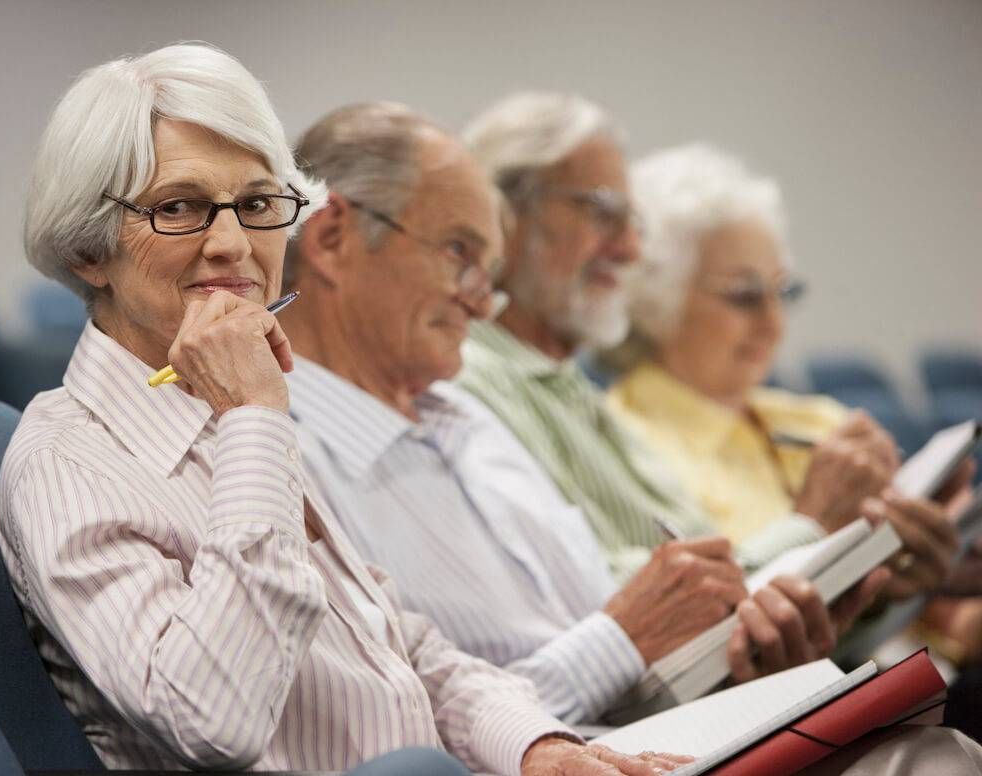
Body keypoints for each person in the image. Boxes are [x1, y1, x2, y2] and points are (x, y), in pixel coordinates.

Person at [0, 42, 689, 776]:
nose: (234, 245)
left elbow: (403, 647)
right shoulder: (66, 462)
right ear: (86, 250)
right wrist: (255, 419)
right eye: (180, 208)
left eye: (259, 204)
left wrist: (539, 748)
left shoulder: (221, 415)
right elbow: (211, 719)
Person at [279, 100, 982, 774]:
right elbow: (412, 727)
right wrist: (627, 642)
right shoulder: (289, 463)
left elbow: (636, 642)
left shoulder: (466, 420)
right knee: (937, 752)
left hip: (654, 728)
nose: (479, 297)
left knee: (936, 740)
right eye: (460, 253)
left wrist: (741, 651)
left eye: (485, 269)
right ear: (334, 239)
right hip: (560, 756)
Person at [456, 92, 968, 592]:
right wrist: (813, 527)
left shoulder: (570, 392)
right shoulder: (471, 381)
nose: (632, 248)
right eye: (601, 211)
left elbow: (741, 628)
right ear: (503, 214)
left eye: (783, 292)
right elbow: (623, 613)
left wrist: (879, 587)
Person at [610, 143, 970, 599]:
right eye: (745, 295)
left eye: (784, 292)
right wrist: (817, 523)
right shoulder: (625, 445)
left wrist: (941, 568)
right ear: (657, 297)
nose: (774, 324)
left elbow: (919, 616)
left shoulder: (821, 422)